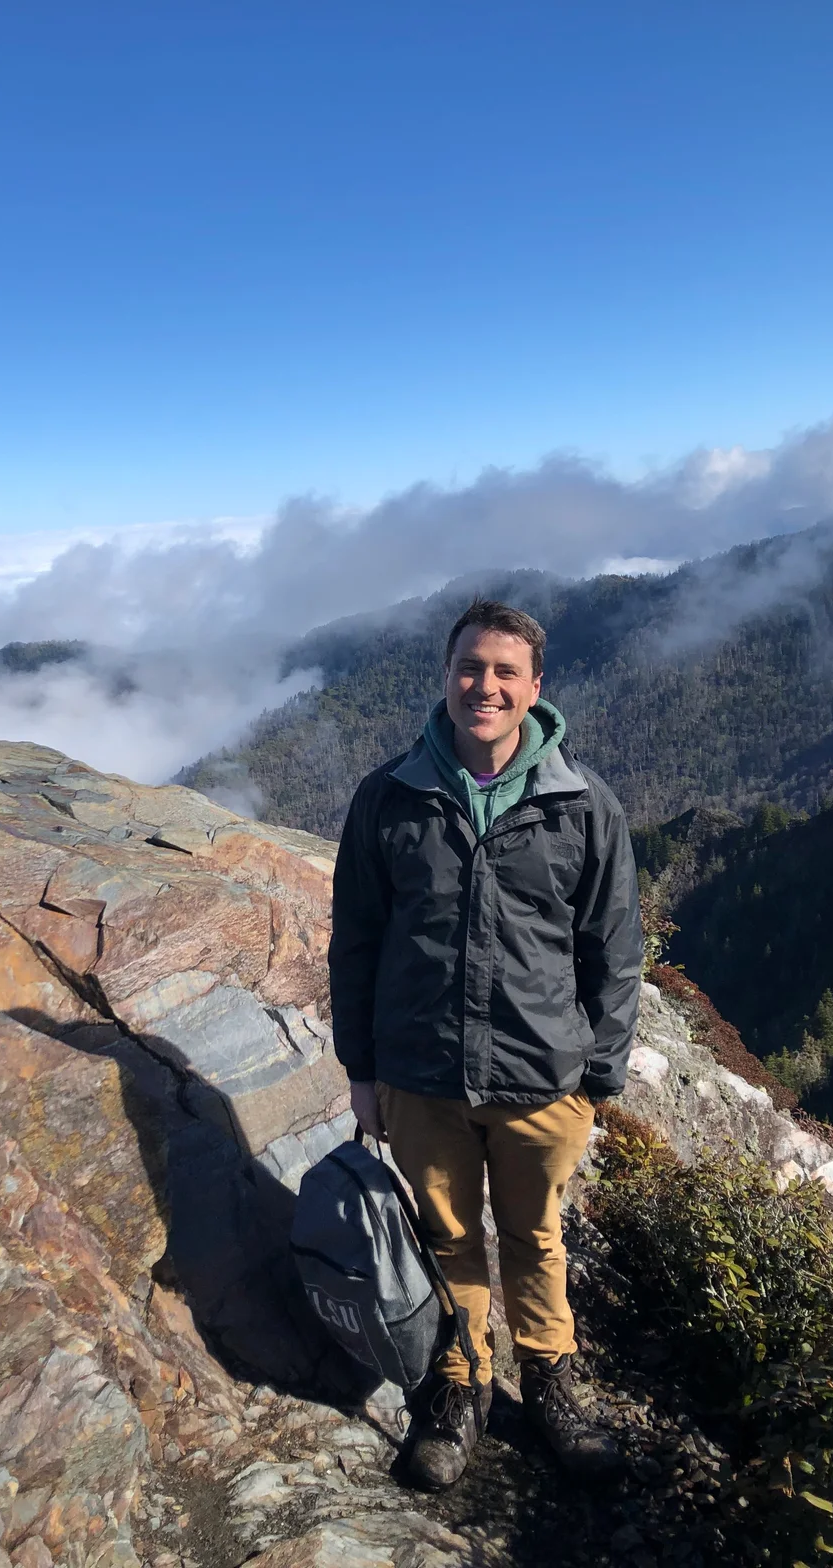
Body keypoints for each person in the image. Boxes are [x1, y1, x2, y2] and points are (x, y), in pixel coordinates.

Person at [328, 598, 642, 1490]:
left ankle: (549, 1380)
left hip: (543, 1078)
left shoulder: (583, 805)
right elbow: (356, 943)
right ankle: (463, 1383)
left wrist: (597, 1079)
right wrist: (362, 1071)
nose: (486, 686)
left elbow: (614, 950)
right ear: (446, 676)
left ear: (536, 688)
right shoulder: (388, 798)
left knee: (536, 1236)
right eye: (471, 667)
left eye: (506, 672)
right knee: (449, 1236)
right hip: (421, 1075)